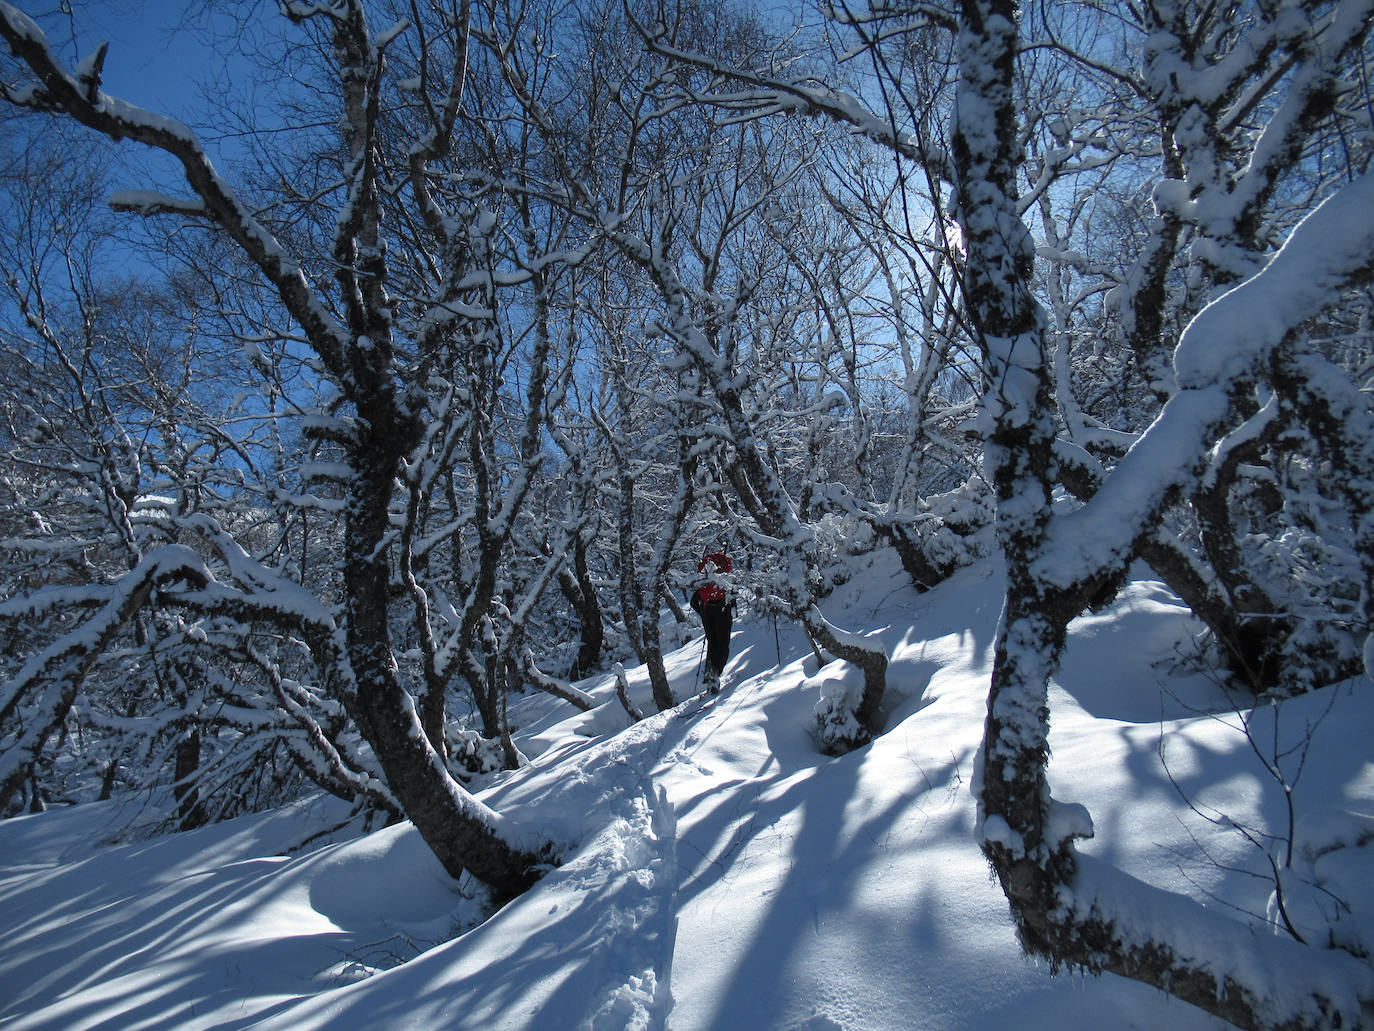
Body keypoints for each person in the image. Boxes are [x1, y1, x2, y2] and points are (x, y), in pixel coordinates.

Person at [689, 548, 734, 693]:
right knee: (722, 643)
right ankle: (715, 671)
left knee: (712, 642)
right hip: (722, 608)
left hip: (706, 608)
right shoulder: (724, 566)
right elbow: (731, 588)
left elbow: (693, 601)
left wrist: (702, 611)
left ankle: (710, 671)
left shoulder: (706, 566)